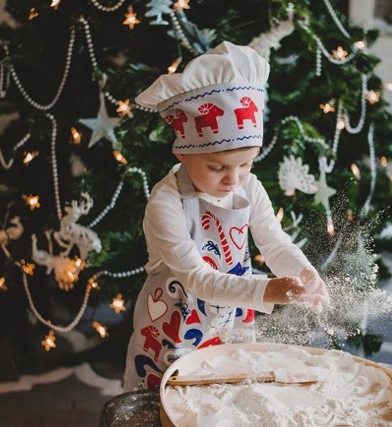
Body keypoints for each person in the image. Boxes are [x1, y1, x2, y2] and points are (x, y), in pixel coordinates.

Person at [123, 41, 329, 390]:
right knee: (168, 402)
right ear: (184, 154)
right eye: (217, 167)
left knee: (221, 393)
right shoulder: (166, 204)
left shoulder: (249, 188)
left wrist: (304, 272)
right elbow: (198, 280)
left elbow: (275, 243)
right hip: (172, 330)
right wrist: (270, 290)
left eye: (246, 164)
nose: (233, 179)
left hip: (228, 320)